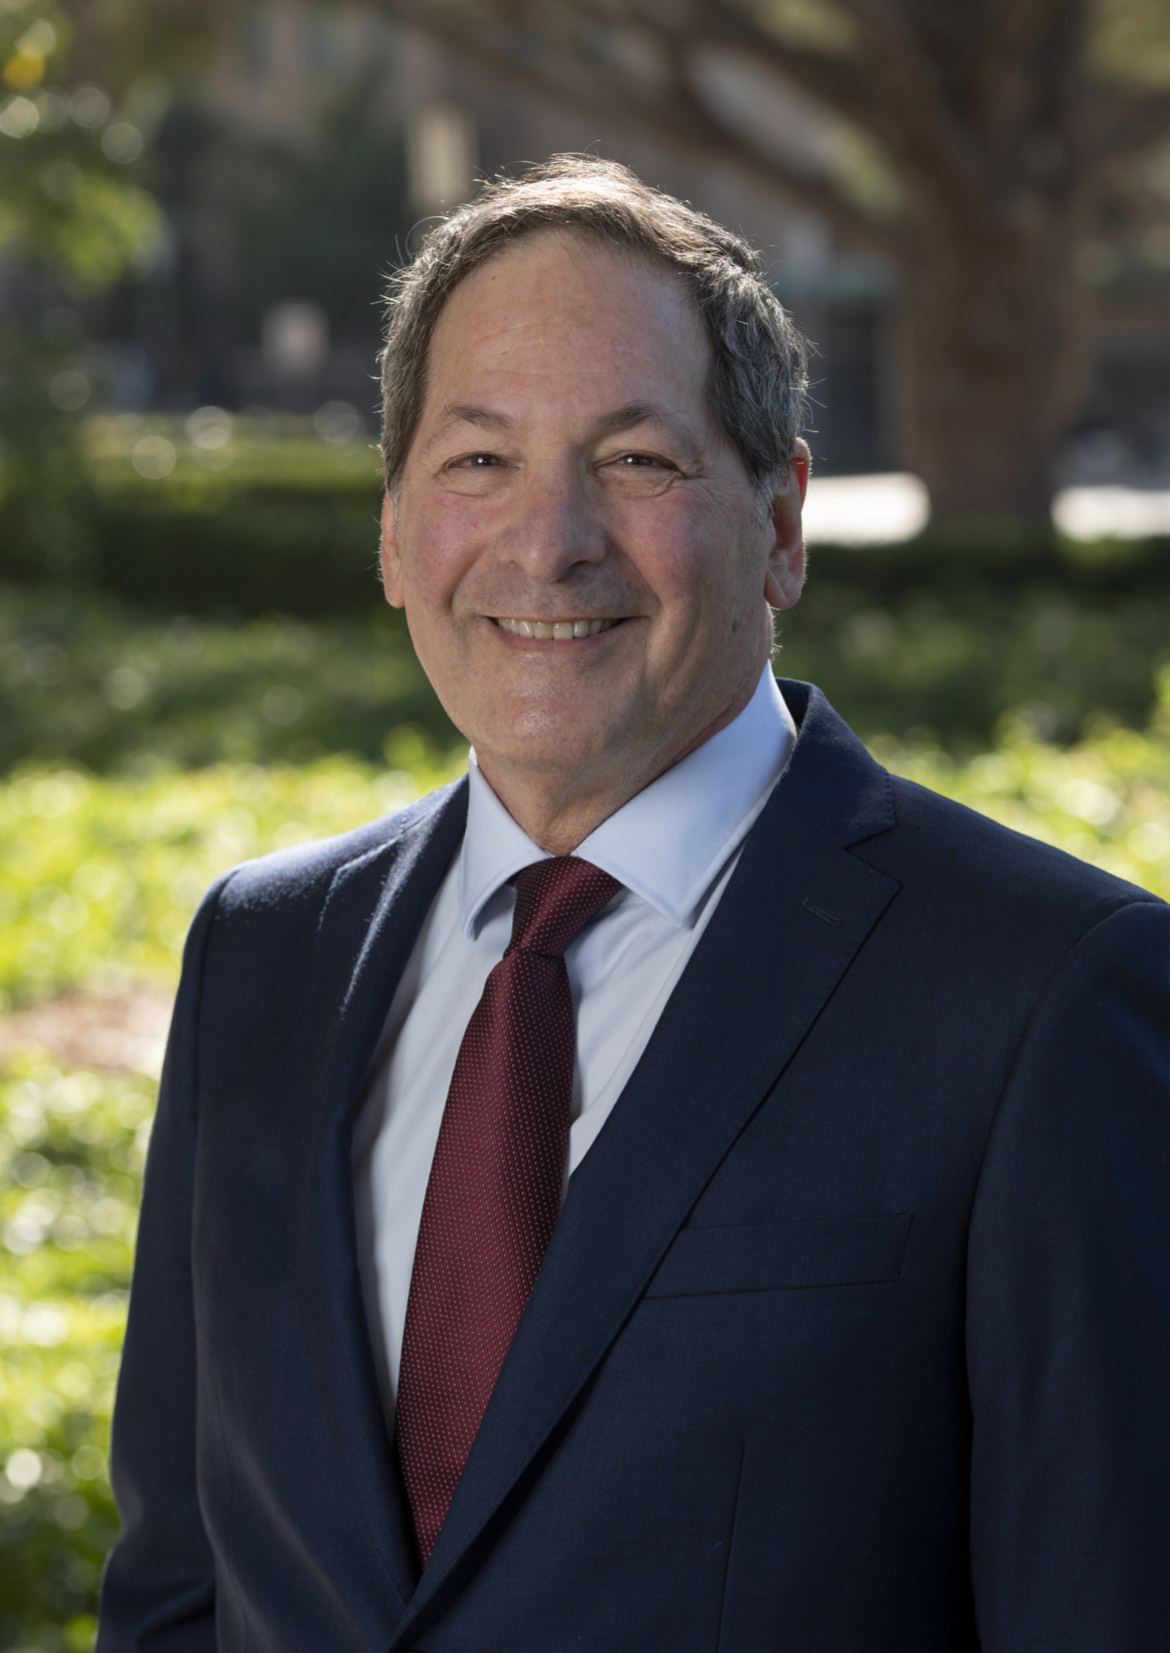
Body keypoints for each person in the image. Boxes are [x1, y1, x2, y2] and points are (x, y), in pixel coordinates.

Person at [97, 156, 1170, 1651]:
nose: (548, 543)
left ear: (779, 522)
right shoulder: (263, 954)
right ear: (395, 527)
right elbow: (179, 1590)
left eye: (637, 461)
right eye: (477, 462)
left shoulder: (1043, 995)